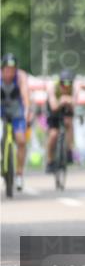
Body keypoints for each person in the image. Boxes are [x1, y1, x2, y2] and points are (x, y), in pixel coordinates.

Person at [0, 53, 33, 191]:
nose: (10, 73)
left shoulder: (21, 77)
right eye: (7, 69)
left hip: (16, 111)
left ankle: (19, 174)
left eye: (12, 70)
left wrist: (26, 112)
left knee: (21, 141)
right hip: (1, 110)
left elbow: (25, 96)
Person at [45, 69, 78, 173]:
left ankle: (68, 150)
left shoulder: (74, 89)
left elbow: (74, 107)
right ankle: (50, 161)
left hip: (66, 108)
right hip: (54, 108)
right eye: (64, 83)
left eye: (69, 83)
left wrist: (69, 102)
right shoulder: (53, 87)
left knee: (69, 122)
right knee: (53, 135)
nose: (66, 86)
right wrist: (62, 100)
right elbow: (54, 106)